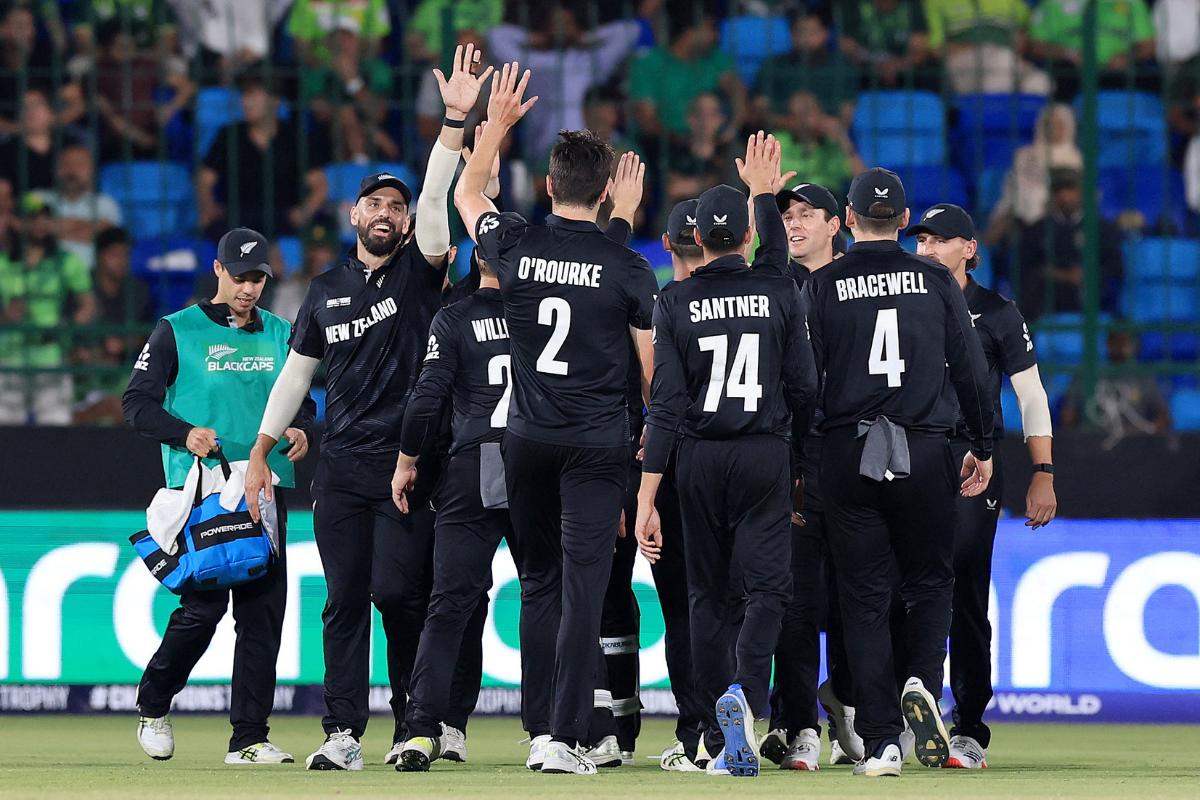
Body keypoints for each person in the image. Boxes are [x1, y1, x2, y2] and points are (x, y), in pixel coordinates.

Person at [243, 43, 488, 771]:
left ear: (408, 222)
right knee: (344, 601)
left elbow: (442, 202)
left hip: (408, 465)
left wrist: (452, 123)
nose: (385, 212)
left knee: (398, 594)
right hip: (342, 466)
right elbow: (296, 373)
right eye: (374, 202)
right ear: (353, 214)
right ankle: (342, 732)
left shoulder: (421, 271)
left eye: (396, 204)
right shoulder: (323, 289)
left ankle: (417, 720)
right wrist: (259, 448)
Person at [455, 63, 659, 775]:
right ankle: (569, 737)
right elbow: (650, 371)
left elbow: (467, 191)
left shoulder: (512, 246)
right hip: (596, 445)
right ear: (605, 192)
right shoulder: (631, 267)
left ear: (547, 186)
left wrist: (498, 128)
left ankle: (542, 728)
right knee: (581, 587)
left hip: (527, 439)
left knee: (538, 583)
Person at [633, 134, 818, 778]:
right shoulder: (776, 289)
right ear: (743, 238)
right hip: (764, 452)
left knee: (706, 599)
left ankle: (714, 734)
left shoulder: (671, 300)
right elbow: (805, 386)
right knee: (769, 589)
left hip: (698, 460)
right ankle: (745, 689)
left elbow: (666, 405)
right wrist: (765, 194)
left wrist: (647, 494)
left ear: (698, 244)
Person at [802, 167, 994, 777]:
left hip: (847, 452)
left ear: (849, 221)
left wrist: (807, 460)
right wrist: (984, 445)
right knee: (930, 584)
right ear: (906, 222)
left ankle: (881, 739)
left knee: (861, 598)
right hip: (924, 449)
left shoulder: (825, 283)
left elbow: (804, 381)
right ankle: (922, 683)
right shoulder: (937, 280)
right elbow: (969, 371)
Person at [121, 227, 315, 765]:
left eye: (258, 278)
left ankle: (249, 738)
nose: (249, 288)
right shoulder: (175, 331)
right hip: (203, 489)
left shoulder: (283, 333)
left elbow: (300, 400)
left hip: (264, 490)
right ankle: (154, 703)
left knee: (262, 616)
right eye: (240, 276)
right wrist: (184, 433)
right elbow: (136, 403)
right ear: (217, 271)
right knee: (202, 609)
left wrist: (301, 428)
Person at [911, 203, 1057, 769]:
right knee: (904, 588)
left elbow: (1033, 397)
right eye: (920, 240)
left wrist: (1042, 473)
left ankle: (968, 725)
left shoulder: (995, 312)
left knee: (964, 589)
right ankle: (903, 713)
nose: (926, 250)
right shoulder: (903, 304)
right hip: (909, 457)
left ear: (969, 249)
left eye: (939, 241)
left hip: (974, 462)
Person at [388, 135, 508, 773]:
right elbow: (457, 201)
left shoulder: (454, 310)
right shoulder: (542, 309)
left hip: (461, 459)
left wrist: (408, 461)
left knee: (454, 599)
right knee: (541, 593)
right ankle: (552, 730)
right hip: (531, 458)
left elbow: (427, 397)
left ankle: (429, 724)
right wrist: (482, 144)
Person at [754, 181, 862, 772]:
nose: (792, 224)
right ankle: (797, 724)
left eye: (804, 215)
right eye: (785, 216)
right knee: (791, 598)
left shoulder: (859, 284)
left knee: (858, 595)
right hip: (792, 459)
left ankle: (847, 699)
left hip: (852, 456)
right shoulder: (773, 284)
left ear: (835, 224)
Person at [645, 200, 708, 773]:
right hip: (739, 466)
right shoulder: (760, 297)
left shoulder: (658, 305)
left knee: (682, 611)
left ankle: (695, 733)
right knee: (734, 602)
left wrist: (639, 492)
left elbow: (649, 400)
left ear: (666, 247)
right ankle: (760, 720)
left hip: (666, 470)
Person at [487, 7, 640, 163]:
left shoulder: (591, 60)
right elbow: (495, 36)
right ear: (546, 27)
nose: (561, 28)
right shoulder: (534, 62)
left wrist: (584, 37)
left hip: (590, 143)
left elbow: (629, 31)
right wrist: (538, 38)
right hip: (547, 144)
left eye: (567, 23)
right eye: (556, 23)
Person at [196, 64, 331, 240]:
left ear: (274, 100)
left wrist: (302, 213)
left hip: (283, 218)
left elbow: (319, 185)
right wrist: (209, 207)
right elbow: (204, 180)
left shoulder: (294, 137)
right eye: (244, 95)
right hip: (238, 219)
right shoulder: (229, 135)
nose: (245, 102)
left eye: (253, 95)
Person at [0, 193, 94, 425]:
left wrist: (67, 328)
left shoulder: (66, 261)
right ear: (18, 222)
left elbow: (88, 306)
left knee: (56, 424)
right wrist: (6, 316)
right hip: (10, 355)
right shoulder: (3, 262)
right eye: (32, 218)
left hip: (50, 353)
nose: (40, 224)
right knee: (6, 426)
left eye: (45, 218)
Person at [1017, 167, 1123, 320]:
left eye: (1070, 188)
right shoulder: (1036, 230)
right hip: (1048, 299)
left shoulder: (1102, 229)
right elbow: (1024, 269)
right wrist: (1061, 276)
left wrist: (1088, 275)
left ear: (1081, 192)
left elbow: (1115, 267)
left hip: (1093, 295)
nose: (1065, 195)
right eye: (1059, 189)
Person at [74, 227, 154, 424]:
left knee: (126, 405)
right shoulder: (81, 289)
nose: (121, 261)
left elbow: (149, 335)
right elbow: (70, 337)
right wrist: (92, 355)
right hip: (83, 376)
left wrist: (124, 344)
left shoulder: (139, 291)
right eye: (114, 254)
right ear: (99, 256)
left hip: (124, 372)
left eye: (125, 254)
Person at [629, 8, 746, 142]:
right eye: (710, 29)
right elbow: (647, 120)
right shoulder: (648, 64)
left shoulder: (715, 57)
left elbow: (737, 90)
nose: (716, 36)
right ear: (689, 32)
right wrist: (685, 142)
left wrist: (733, 127)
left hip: (716, 145)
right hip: (664, 147)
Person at [983, 104, 1082, 247]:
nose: (1053, 129)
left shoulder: (1077, 158)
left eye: (1059, 125)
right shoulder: (1024, 155)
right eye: (1048, 125)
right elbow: (1016, 185)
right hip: (1024, 210)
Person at [1029, 0, 1157, 101]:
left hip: (1119, 72)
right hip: (1072, 71)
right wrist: (1069, 54)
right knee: (1060, 78)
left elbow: (1148, 46)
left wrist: (1126, 58)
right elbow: (1035, 46)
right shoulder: (1052, 4)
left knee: (1151, 80)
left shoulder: (1133, 3)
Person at [754, 9, 860, 126]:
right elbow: (759, 109)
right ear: (791, 34)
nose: (805, 39)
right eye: (799, 32)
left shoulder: (842, 66)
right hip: (780, 135)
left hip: (828, 135)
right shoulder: (774, 64)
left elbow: (846, 114)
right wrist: (791, 121)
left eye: (811, 33)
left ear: (825, 33)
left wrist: (817, 122)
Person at [923, 0, 1050, 96]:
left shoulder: (1012, 2)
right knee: (1003, 66)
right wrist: (982, 48)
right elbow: (937, 49)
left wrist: (1022, 40)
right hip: (962, 61)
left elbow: (1028, 35)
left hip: (1007, 60)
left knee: (1041, 83)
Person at [34, 144, 123, 271]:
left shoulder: (106, 205)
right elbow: (25, 229)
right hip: (44, 276)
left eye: (80, 165)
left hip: (91, 276)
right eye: (66, 164)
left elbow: (109, 242)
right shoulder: (37, 198)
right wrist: (91, 226)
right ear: (54, 169)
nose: (72, 171)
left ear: (92, 171)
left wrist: (50, 229)